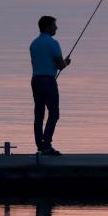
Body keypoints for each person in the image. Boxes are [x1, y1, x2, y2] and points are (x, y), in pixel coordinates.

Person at [30, 16, 70, 156]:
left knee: (39, 114)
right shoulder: (53, 43)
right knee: (54, 113)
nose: (56, 28)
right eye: (54, 25)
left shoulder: (34, 43)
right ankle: (47, 145)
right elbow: (60, 65)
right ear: (47, 27)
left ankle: (40, 145)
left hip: (36, 80)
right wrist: (66, 63)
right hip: (48, 81)